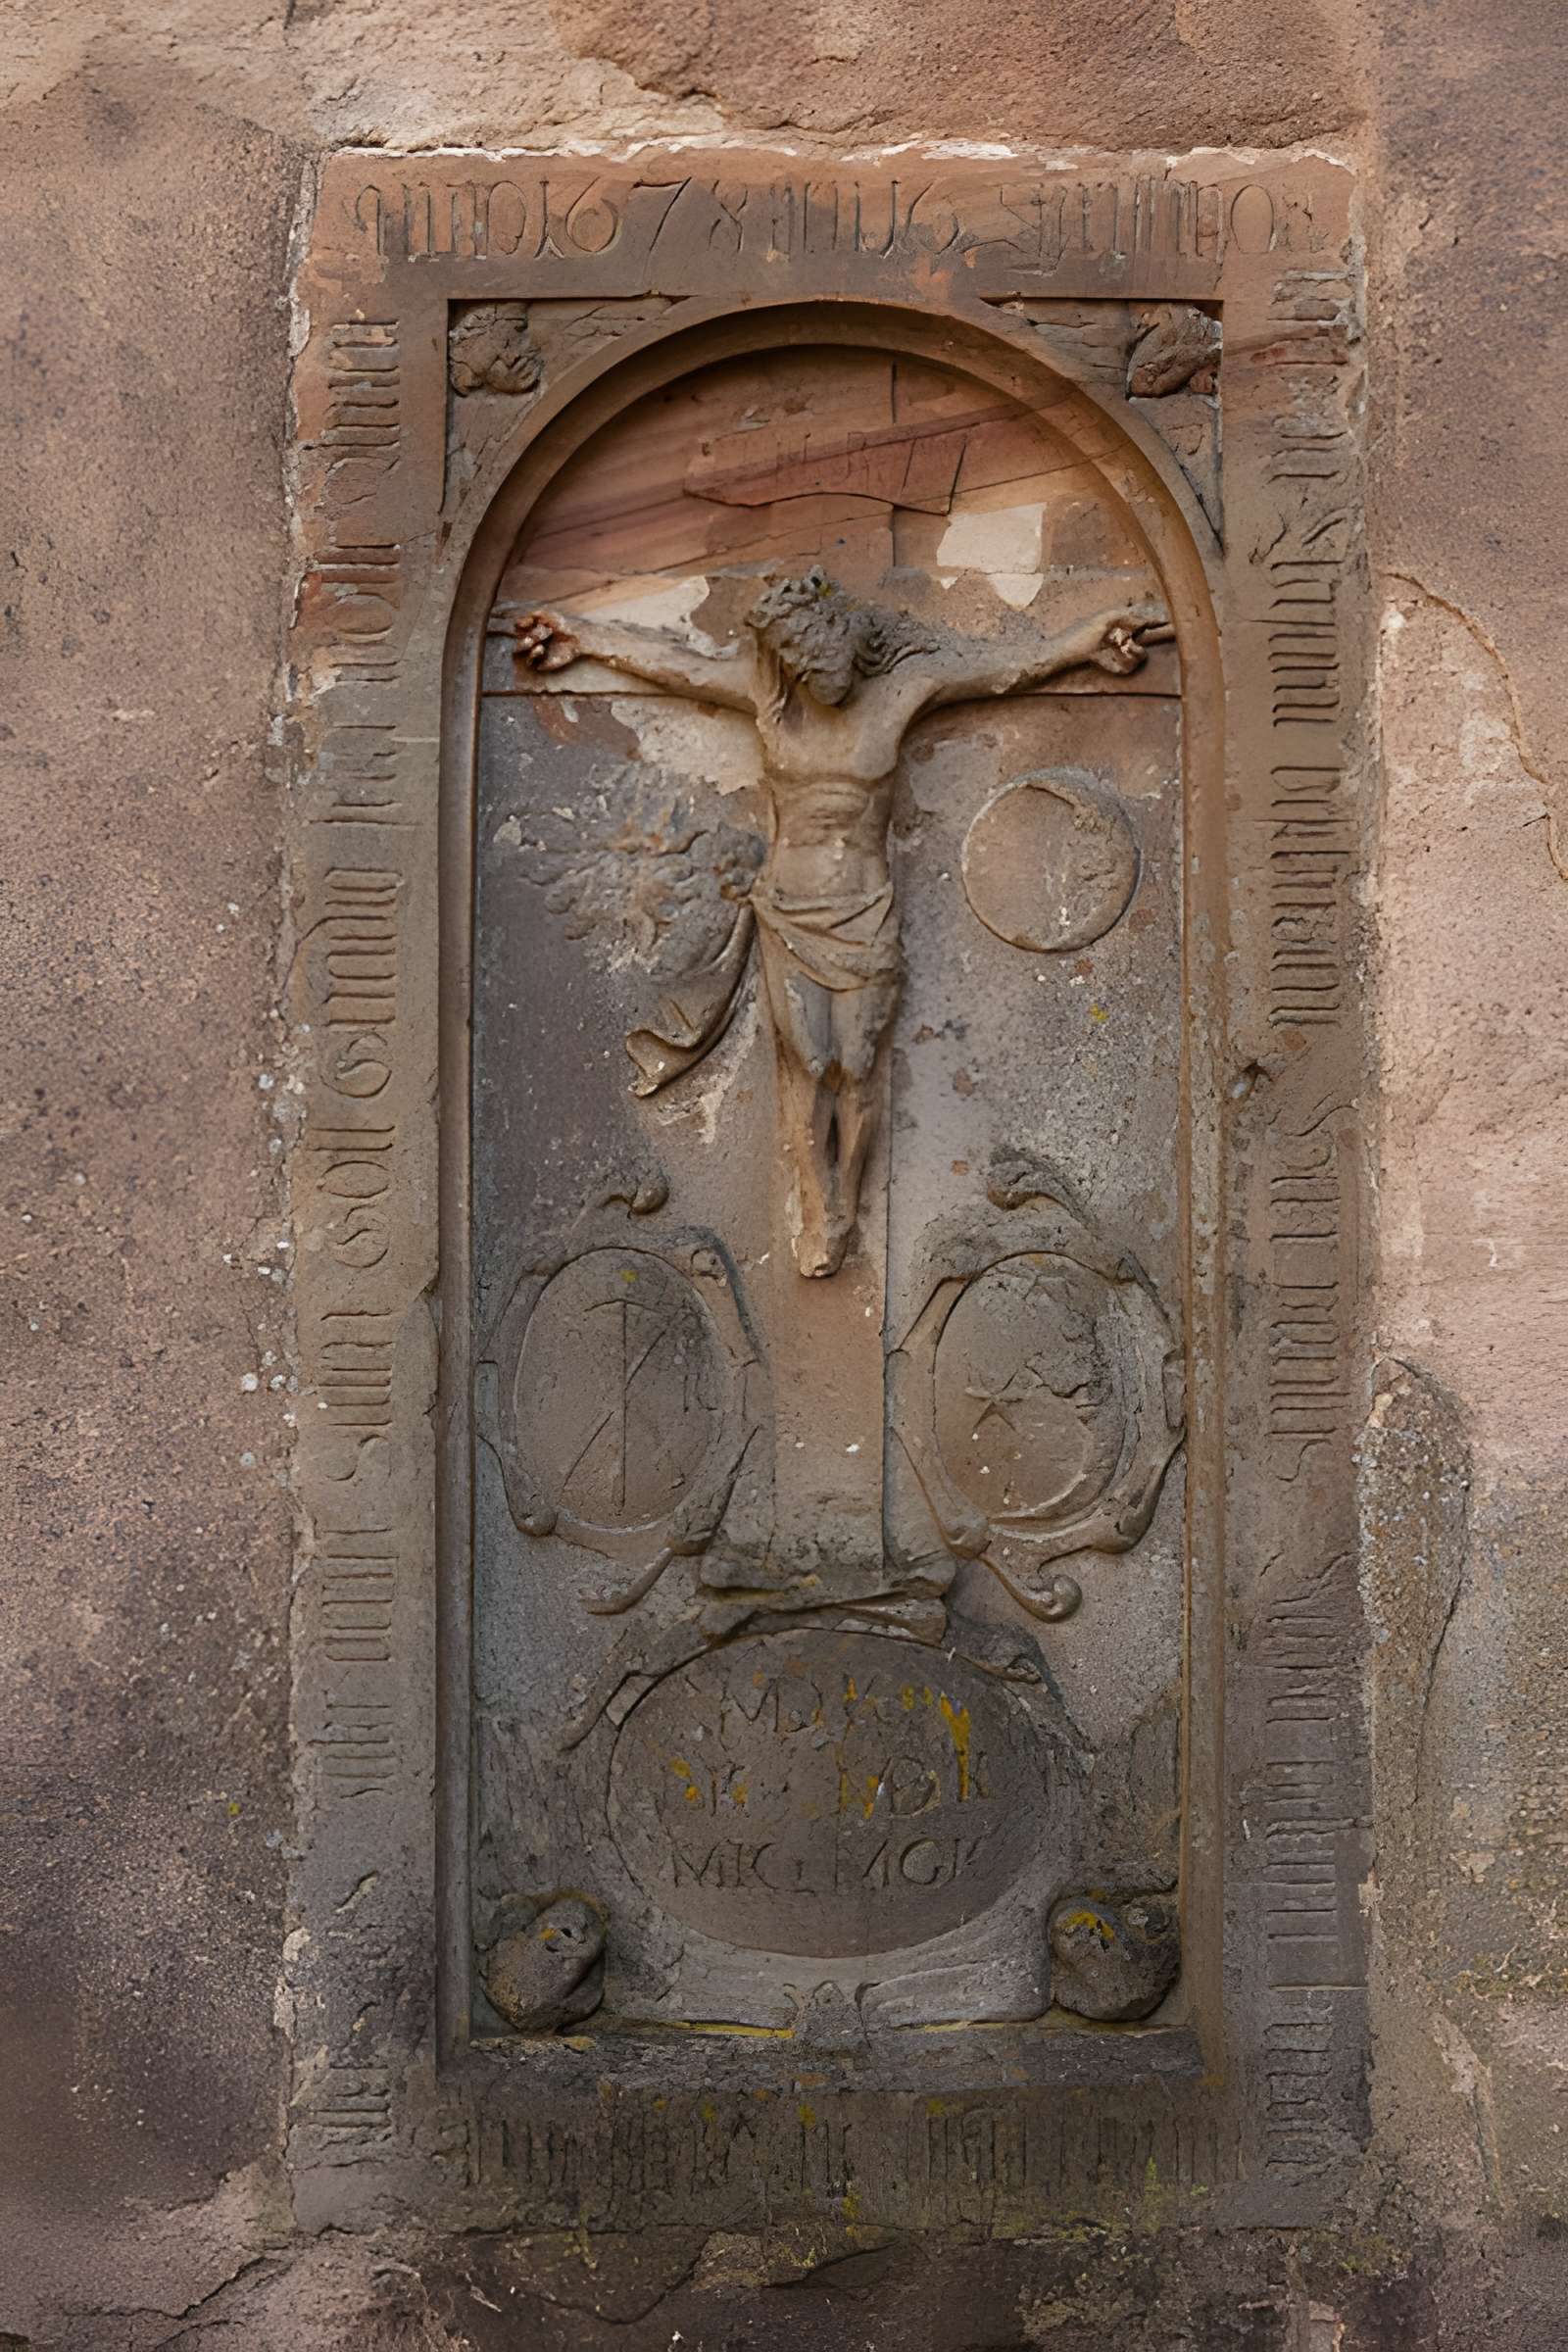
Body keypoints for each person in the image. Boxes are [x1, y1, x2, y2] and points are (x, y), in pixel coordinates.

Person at [513, 566, 1170, 1276]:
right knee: (812, 1063)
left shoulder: (900, 695)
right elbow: (678, 668)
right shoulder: (767, 700)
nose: (814, 676)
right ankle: (819, 1204)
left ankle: (847, 1200)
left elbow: (1002, 672)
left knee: (858, 1066)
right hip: (792, 912)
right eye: (798, 664)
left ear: (848, 642)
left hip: (866, 910)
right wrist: (582, 638)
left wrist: (1081, 645)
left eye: (822, 659)